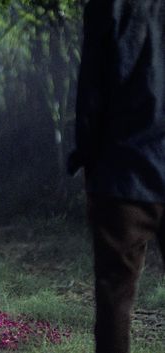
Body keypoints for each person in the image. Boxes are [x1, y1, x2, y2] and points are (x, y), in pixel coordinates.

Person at [68, 1, 165, 352]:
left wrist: (89, 160)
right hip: (125, 168)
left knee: (114, 300)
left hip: (123, 172)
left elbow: (92, 86)